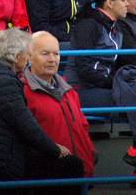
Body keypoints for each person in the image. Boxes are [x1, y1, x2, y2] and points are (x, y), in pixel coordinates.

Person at [0, 28, 69, 193]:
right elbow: (25, 124)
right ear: (16, 56)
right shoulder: (3, 82)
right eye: (27, 54)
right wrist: (54, 149)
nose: (28, 59)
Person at [70, 0, 136, 173]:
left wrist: (120, 79)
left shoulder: (115, 28)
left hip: (103, 87)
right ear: (110, 3)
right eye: (123, 0)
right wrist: (115, 82)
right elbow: (84, 68)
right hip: (81, 91)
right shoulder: (88, 26)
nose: (127, 5)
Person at [22, 31, 95, 184]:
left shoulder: (69, 91)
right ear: (29, 56)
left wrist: (90, 156)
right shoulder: (22, 92)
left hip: (80, 174)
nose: (52, 59)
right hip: (45, 178)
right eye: (45, 54)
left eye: (56, 54)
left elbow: (82, 127)